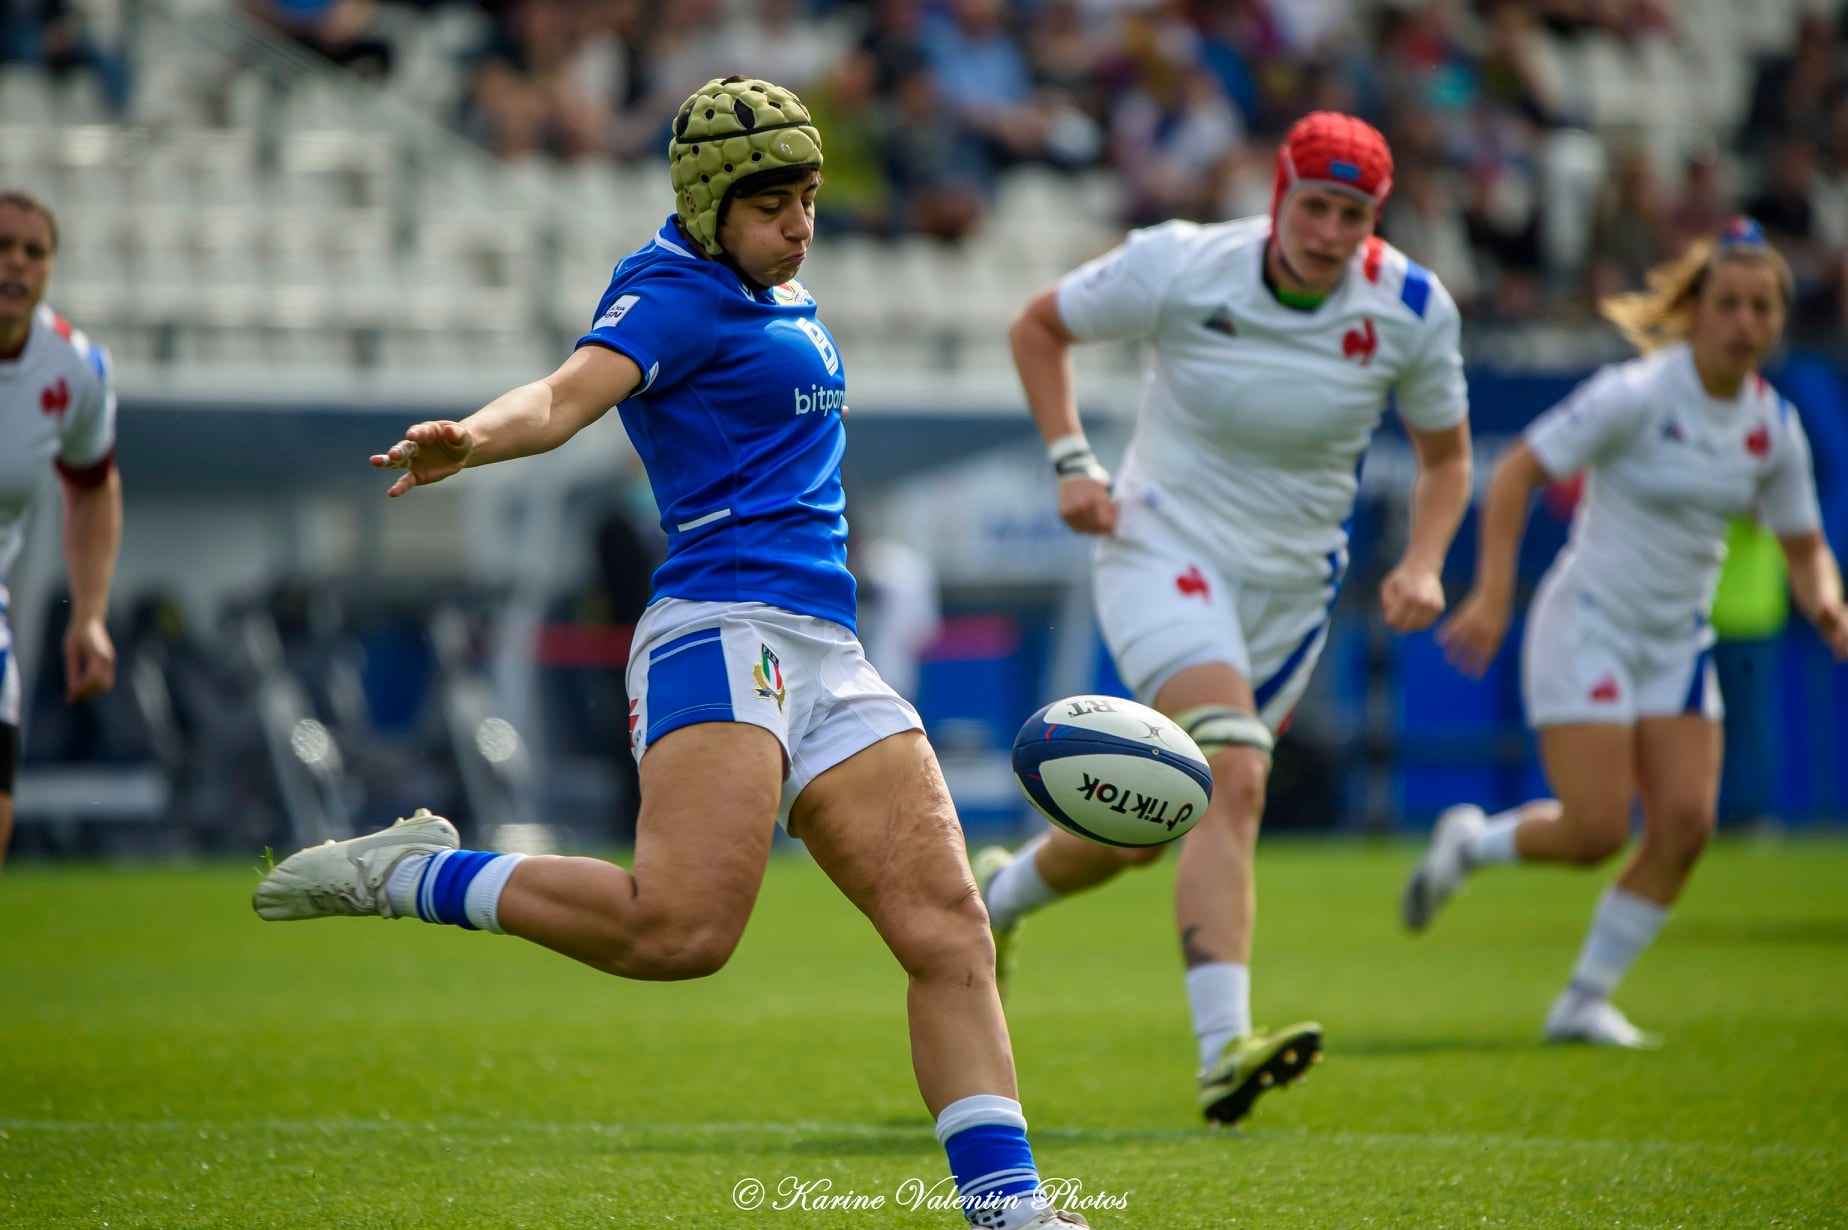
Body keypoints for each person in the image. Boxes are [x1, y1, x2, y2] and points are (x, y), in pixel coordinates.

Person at [252, 76, 1093, 1230]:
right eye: (771, 204)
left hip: (829, 648)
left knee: (952, 928)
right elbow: (560, 397)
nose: (798, 223)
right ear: (708, 207)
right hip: (719, 629)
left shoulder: (779, 285)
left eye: (807, 196)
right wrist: (472, 439)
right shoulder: (669, 290)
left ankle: (1013, 1213)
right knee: (681, 934)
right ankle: (408, 875)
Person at [988, 112, 1473, 1126]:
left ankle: (998, 898)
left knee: (1148, 827)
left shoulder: (1413, 308)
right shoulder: (1182, 263)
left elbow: (1445, 457)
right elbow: (1039, 326)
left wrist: (1426, 563)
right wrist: (1073, 462)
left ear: (1375, 221)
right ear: (1277, 194)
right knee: (1235, 768)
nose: (1330, 231)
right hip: (1161, 547)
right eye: (1315, 205)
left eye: (1353, 215)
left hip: (1292, 593)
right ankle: (1224, 1053)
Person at [1408, 219, 1848, 1048]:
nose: (1745, 322)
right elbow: (1518, 470)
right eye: (1729, 304)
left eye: (1762, 307)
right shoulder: (1639, 394)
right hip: (1590, 623)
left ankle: (1583, 1000)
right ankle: (1470, 846)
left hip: (1676, 642)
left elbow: (1805, 546)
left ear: (1780, 321)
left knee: (1686, 825)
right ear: (1697, 313)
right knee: (1595, 831)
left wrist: (1828, 603)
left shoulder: (1773, 426)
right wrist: (1494, 594)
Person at [0, 189, 121, 870]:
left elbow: (92, 485)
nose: (14, 264)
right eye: (1, 247)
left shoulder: (75, 368)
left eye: (32, 251)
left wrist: (91, 615)